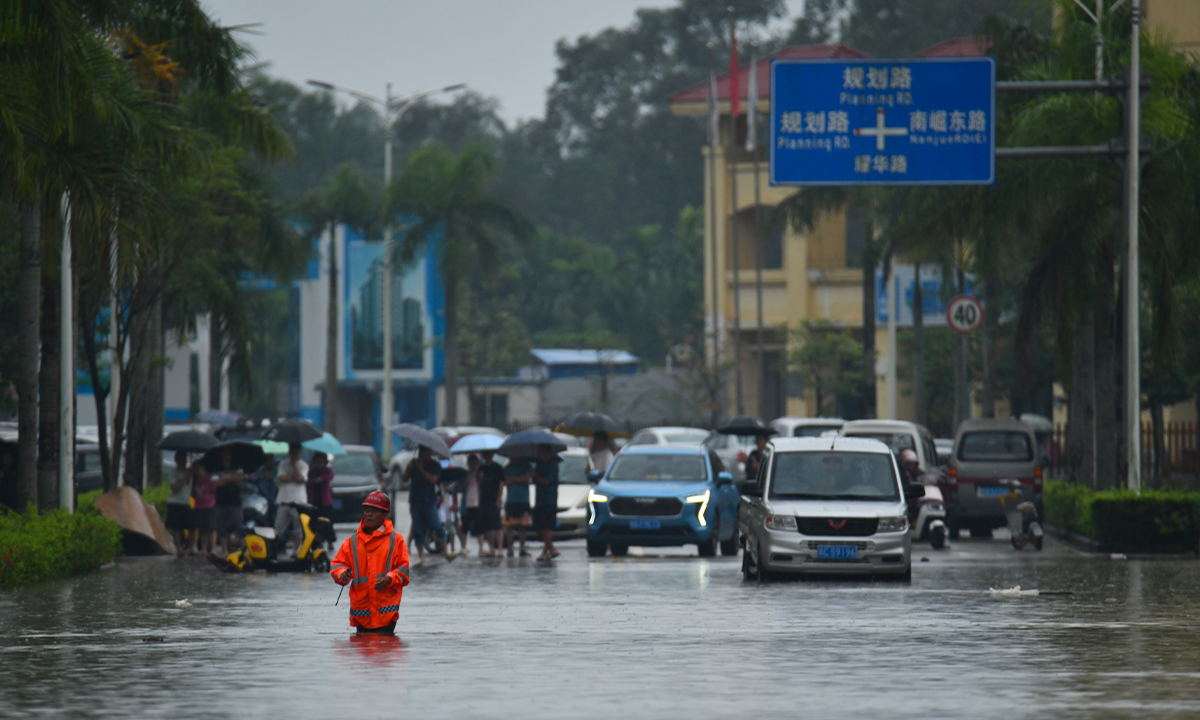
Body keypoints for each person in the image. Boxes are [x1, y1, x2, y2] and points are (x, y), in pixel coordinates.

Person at [330, 491, 410, 635]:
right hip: (361, 613)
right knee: (363, 654)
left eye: (374, 511)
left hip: (386, 614)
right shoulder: (352, 542)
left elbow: (404, 570)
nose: (369, 514)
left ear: (385, 514)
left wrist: (389, 578)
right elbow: (337, 565)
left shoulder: (396, 540)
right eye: (367, 511)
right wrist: (342, 574)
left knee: (384, 652)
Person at [403, 445, 455, 565]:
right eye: (423, 452)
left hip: (429, 501)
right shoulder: (413, 463)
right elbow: (404, 479)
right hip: (415, 501)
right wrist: (408, 469)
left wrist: (421, 468)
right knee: (417, 528)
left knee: (437, 525)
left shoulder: (434, 466)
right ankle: (421, 556)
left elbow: (432, 480)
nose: (425, 455)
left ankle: (446, 552)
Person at [275, 443, 309, 560]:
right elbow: (281, 477)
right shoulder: (283, 464)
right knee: (278, 528)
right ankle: (274, 549)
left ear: (300, 452)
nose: (293, 453)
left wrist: (294, 465)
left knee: (298, 528)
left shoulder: (303, 465)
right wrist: (294, 479)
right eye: (292, 451)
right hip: (284, 500)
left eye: (296, 451)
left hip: (299, 501)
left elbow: (301, 478)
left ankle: (295, 551)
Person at [211, 447, 246, 556]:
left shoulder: (237, 465)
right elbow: (215, 483)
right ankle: (225, 551)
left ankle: (245, 549)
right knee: (221, 526)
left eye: (228, 452)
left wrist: (223, 478)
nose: (226, 455)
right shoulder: (216, 466)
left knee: (239, 525)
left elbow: (239, 479)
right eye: (224, 453)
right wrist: (232, 478)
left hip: (235, 501)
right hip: (221, 501)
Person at [531, 444, 560, 562]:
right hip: (539, 500)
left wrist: (536, 477)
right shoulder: (538, 464)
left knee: (548, 527)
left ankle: (545, 551)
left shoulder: (553, 465)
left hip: (549, 500)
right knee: (537, 526)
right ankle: (552, 548)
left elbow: (548, 481)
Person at [165, 450, 194, 557]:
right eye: (180, 459)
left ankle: (191, 548)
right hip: (175, 502)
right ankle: (179, 548)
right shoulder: (173, 472)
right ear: (176, 460)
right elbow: (174, 487)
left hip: (186, 503)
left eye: (184, 459)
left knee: (191, 526)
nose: (183, 461)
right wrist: (185, 478)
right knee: (176, 527)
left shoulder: (190, 472)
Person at [503, 455, 534, 557]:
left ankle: (522, 548)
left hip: (523, 500)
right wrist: (519, 479)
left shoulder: (526, 466)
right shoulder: (507, 468)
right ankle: (510, 549)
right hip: (511, 501)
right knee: (510, 526)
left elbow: (526, 479)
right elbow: (506, 482)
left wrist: (514, 478)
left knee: (523, 526)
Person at [477, 451, 505, 557]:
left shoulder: (498, 468)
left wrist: (498, 499)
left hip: (494, 500)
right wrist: (480, 477)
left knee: (497, 526)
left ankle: (500, 549)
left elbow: (501, 484)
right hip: (484, 500)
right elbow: (479, 485)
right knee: (487, 527)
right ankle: (492, 549)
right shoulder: (482, 468)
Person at [307, 452, 336, 549]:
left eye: (321, 459)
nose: (320, 461)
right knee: (315, 522)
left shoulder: (327, 470)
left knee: (328, 522)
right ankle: (318, 541)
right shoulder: (312, 470)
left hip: (325, 501)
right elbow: (308, 477)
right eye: (318, 459)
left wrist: (321, 478)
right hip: (314, 500)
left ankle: (330, 541)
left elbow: (330, 476)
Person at [191, 460, 216, 555]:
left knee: (212, 528)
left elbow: (214, 491)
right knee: (203, 528)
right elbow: (193, 493)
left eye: (199, 469)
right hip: (199, 506)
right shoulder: (195, 481)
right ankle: (204, 548)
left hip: (210, 505)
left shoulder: (209, 479)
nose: (197, 471)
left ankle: (213, 548)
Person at [460, 454, 483, 556]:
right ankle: (463, 546)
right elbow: (460, 487)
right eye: (471, 462)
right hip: (467, 504)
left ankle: (481, 547)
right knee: (465, 525)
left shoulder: (480, 474)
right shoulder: (465, 474)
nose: (473, 465)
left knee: (479, 525)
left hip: (477, 503)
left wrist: (479, 477)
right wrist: (466, 482)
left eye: (475, 462)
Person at [0, 445, 17, 511]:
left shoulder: (15, 469)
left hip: (11, 496)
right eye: (5, 456)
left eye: (8, 457)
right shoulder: (3, 469)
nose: (6, 459)